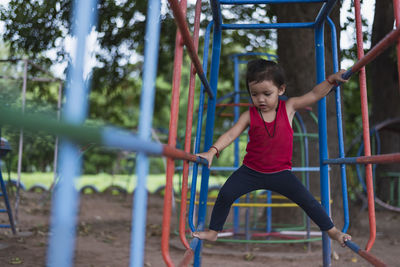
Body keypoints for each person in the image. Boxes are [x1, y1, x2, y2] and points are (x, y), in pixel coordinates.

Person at [192, 59, 351, 247]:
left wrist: (331, 81)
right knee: (225, 194)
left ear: (281, 90)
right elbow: (231, 134)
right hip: (250, 171)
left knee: (308, 201)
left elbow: (315, 94)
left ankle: (333, 232)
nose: (261, 99)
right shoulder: (249, 115)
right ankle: (213, 232)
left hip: (281, 174)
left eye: (267, 94)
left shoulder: (289, 107)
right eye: (254, 94)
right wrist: (212, 151)